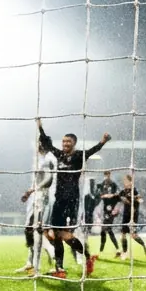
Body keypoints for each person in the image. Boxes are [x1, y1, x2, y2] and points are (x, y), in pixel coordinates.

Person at [36, 119, 109, 279]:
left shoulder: (78, 156)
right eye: (63, 141)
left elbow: (92, 151)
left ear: (74, 143)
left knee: (64, 235)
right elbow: (47, 144)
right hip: (59, 200)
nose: (65, 144)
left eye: (68, 141)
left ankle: (87, 257)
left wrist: (102, 142)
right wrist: (40, 127)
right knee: (56, 233)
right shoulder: (59, 155)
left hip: (72, 201)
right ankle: (60, 268)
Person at [19, 140, 57, 275]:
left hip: (43, 198)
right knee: (31, 230)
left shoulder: (48, 158)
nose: (36, 145)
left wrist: (33, 190)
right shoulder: (41, 159)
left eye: (39, 143)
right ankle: (31, 263)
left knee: (35, 231)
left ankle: (52, 261)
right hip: (37, 197)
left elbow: (48, 179)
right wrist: (30, 191)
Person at [117, 174, 146, 259]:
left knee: (133, 235)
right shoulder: (123, 191)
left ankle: (144, 244)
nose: (125, 182)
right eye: (124, 181)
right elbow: (118, 197)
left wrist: (136, 199)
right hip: (125, 215)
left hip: (133, 215)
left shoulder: (134, 190)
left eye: (126, 180)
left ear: (130, 181)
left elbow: (140, 199)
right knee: (123, 234)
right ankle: (125, 252)